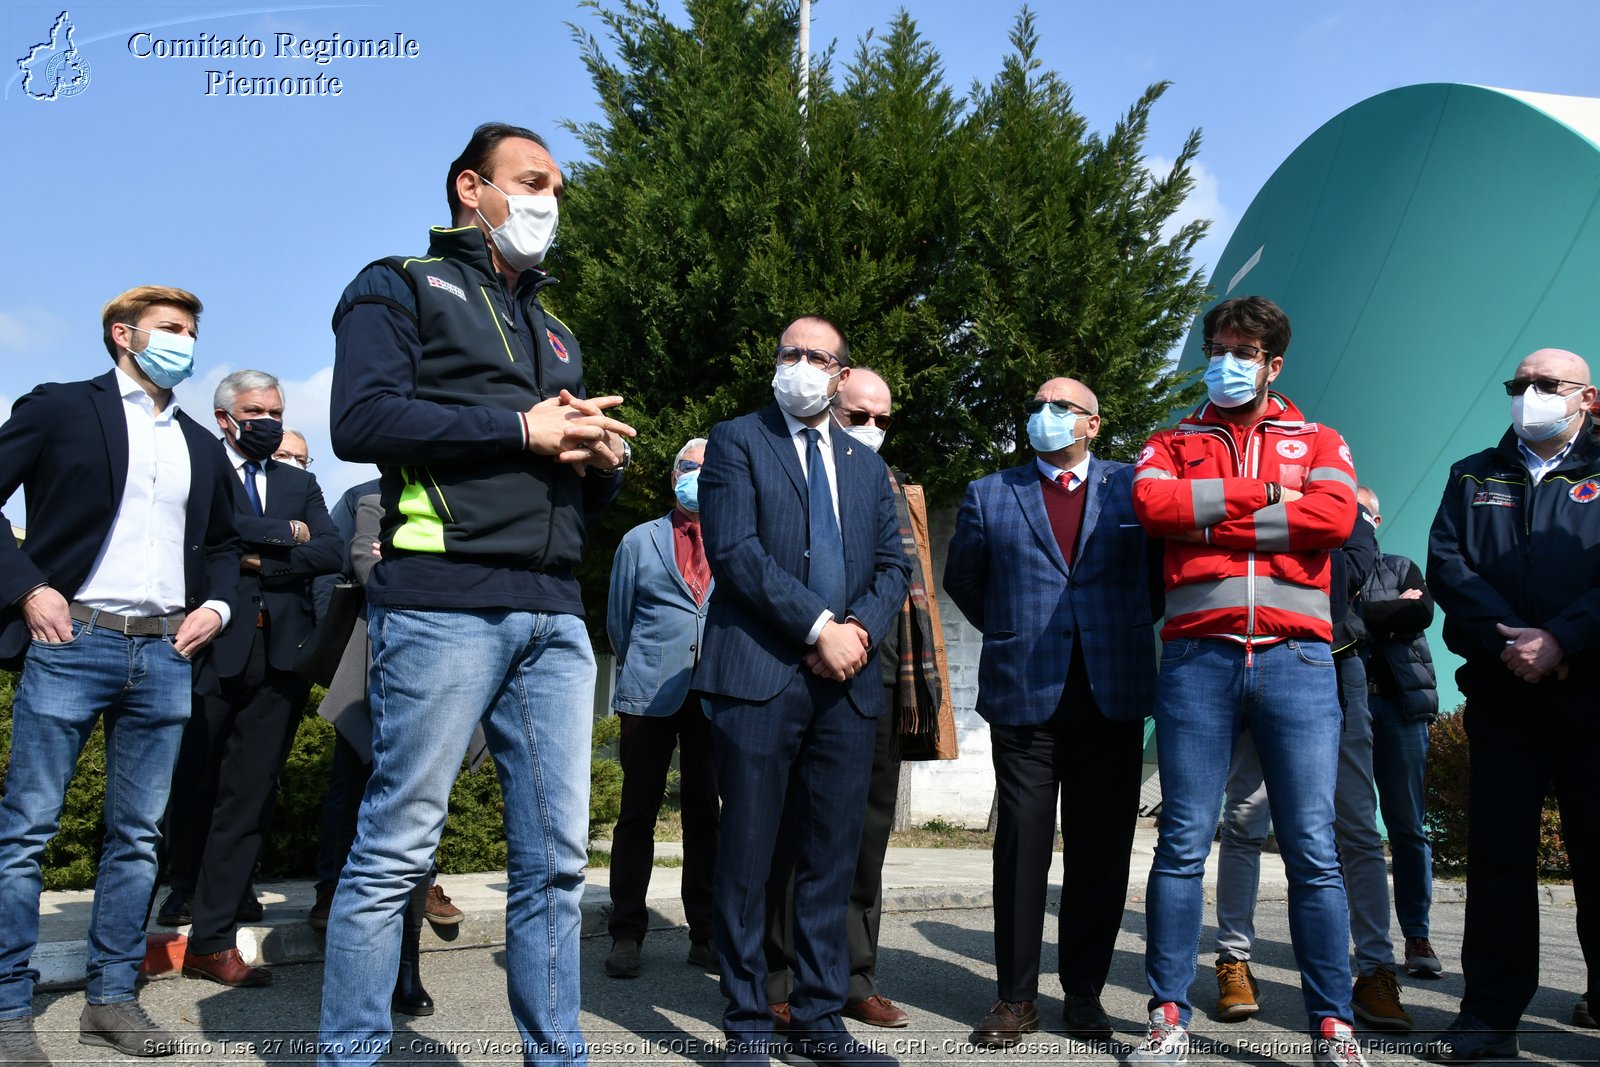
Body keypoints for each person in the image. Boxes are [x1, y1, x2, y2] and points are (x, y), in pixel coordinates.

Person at [319, 122, 635, 1067]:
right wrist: (523, 430)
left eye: (558, 189)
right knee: (396, 848)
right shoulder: (399, 284)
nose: (549, 201)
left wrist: (599, 456)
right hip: (442, 600)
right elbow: (361, 418)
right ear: (471, 187)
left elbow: (565, 464)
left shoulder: (559, 328)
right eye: (531, 181)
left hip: (554, 614)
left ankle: (557, 1053)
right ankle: (350, 1053)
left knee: (557, 861)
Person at [1129, 295, 1369, 1067]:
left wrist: (1208, 518)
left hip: (1298, 662)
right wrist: (1269, 496)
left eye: (1245, 350)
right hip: (1199, 657)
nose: (1228, 360)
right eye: (1219, 346)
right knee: (1181, 842)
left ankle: (1333, 1027)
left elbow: (1334, 520)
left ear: (1274, 364)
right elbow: (1151, 503)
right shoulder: (1171, 439)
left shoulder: (1321, 438)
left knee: (1313, 848)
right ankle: (1169, 1016)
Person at [0, 285, 239, 1059]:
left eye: (192, 330)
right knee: (28, 829)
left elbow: (231, 544)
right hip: (75, 638)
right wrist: (29, 585)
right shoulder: (61, 408)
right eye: (171, 328)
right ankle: (6, 1007)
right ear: (123, 334)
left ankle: (111, 998)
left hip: (167, 653)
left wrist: (220, 609)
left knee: (137, 836)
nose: (186, 341)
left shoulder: (202, 444)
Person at [694, 316, 911, 1067]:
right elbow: (735, 552)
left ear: (840, 372)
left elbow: (893, 566)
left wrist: (853, 634)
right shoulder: (736, 440)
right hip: (760, 675)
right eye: (790, 351)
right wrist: (819, 626)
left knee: (831, 859)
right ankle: (749, 1021)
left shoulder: (862, 463)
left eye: (818, 356)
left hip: (845, 688)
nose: (802, 364)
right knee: (750, 855)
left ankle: (821, 1018)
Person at [943, 376, 1160, 1047]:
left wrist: (1113, 631)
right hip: (1024, 696)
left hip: (1111, 693)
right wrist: (1010, 627)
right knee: (1022, 848)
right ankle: (1015, 997)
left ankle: (1085, 993)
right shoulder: (991, 492)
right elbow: (964, 579)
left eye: (1062, 406)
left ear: (1093, 423)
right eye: (1038, 404)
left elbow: (1158, 578)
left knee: (1101, 850)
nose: (1047, 414)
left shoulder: (1133, 488)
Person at [764, 368, 955, 1030]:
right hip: (800, 670)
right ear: (826, 412)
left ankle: (851, 974)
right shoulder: (794, 476)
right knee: (794, 832)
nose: (871, 428)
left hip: (881, 678)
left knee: (865, 835)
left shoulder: (897, 488)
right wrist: (822, 636)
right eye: (857, 416)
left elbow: (906, 583)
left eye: (882, 418)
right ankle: (780, 974)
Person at [1424, 348, 1600, 1063]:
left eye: (1545, 384)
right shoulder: (1473, 473)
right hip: (1502, 690)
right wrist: (1515, 644)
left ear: (1587, 398)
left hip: (1592, 690)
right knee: (1498, 856)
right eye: (1518, 384)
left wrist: (1562, 638)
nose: (1528, 394)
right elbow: (1449, 566)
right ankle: (1490, 1013)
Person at [157, 369, 341, 988]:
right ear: (225, 418)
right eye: (257, 410)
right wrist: (280, 538)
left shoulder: (301, 481)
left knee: (250, 794)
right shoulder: (199, 470)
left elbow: (330, 551)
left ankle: (213, 939)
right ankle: (177, 890)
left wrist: (252, 552)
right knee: (192, 784)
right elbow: (199, 539)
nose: (269, 420)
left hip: (280, 658)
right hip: (207, 648)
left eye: (277, 410)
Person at [1212, 505, 1415, 1032]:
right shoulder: (1245, 487)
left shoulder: (1334, 490)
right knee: (1243, 821)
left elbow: (1349, 572)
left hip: (1331, 661)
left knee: (1355, 827)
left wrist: (1268, 560)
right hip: (1248, 661)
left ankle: (1374, 970)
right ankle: (1233, 961)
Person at [603, 438, 719, 980]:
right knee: (636, 816)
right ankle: (626, 931)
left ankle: (706, 933)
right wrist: (646, 666)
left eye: (706, 468)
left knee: (706, 817)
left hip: (714, 696)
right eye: (688, 467)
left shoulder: (737, 538)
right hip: (649, 697)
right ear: (674, 475)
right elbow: (619, 624)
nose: (695, 475)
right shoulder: (637, 540)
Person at [1354, 486, 1442, 980]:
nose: (1355, 520)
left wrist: (1361, 620)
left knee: (1408, 827)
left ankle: (1418, 936)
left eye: (1362, 511)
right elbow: (1330, 622)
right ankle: (1366, 941)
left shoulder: (1402, 566)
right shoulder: (1327, 569)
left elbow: (1420, 612)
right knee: (1352, 829)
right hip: (1346, 710)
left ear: (1377, 518)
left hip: (1400, 711)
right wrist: (1385, 615)